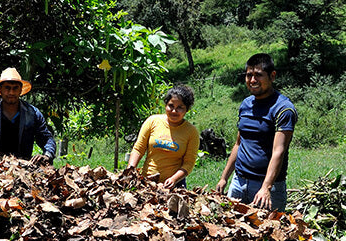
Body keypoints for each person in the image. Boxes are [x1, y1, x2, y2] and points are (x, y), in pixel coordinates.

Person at [215, 53, 297, 211]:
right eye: (249, 75)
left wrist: (266, 187)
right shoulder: (246, 104)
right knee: (232, 231)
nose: (252, 80)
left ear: (272, 76)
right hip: (239, 182)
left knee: (266, 233)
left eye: (258, 75)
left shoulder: (283, 109)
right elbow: (239, 143)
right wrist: (224, 178)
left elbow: (278, 151)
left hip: (267, 188)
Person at [0, 68, 56, 165]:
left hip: (24, 166)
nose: (11, 93)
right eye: (7, 88)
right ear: (0, 90)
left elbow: (47, 139)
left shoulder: (33, 114)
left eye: (15, 88)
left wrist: (47, 155)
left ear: (21, 90)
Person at [126, 85, 200, 189]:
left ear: (186, 109)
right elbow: (138, 149)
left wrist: (174, 179)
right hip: (147, 181)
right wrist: (130, 171)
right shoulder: (152, 121)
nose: (174, 111)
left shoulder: (191, 132)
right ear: (165, 105)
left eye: (180, 108)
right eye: (171, 106)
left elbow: (189, 163)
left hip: (174, 185)